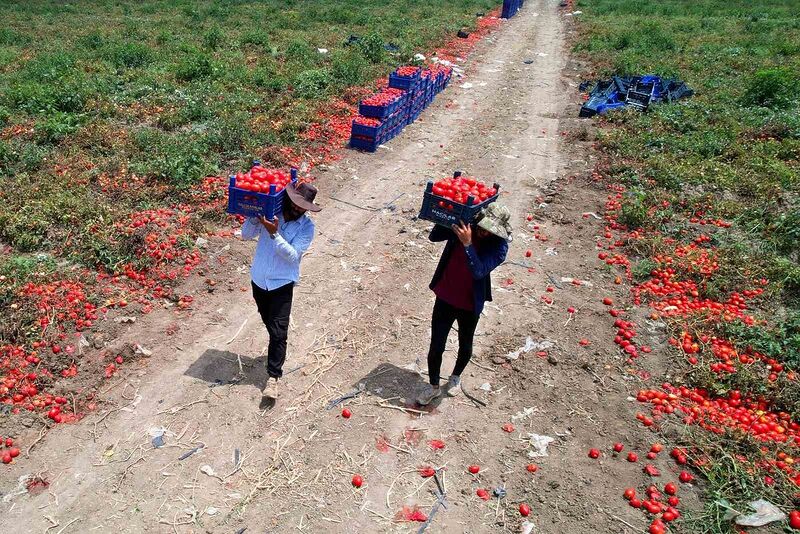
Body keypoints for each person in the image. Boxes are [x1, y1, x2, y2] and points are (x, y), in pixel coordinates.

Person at [417, 203, 512, 405]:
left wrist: (468, 244)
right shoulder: (466, 224)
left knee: (465, 343)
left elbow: (478, 271)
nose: (484, 232)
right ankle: (433, 386)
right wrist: (446, 219)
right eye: (483, 226)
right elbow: (433, 237)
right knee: (436, 344)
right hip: (446, 294)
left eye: (490, 230)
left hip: (470, 302)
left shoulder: (499, 247)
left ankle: (455, 376)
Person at [241, 182, 321, 400]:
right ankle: (276, 346)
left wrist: (274, 234)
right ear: (288, 200)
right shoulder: (272, 213)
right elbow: (245, 235)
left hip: (282, 283)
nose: (297, 210)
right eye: (294, 205)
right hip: (259, 280)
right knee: (270, 324)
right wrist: (254, 216)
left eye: (302, 207)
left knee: (279, 332)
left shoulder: (306, 227)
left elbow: (294, 256)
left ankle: (273, 377)